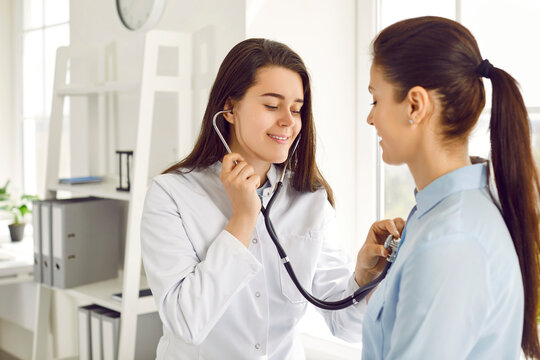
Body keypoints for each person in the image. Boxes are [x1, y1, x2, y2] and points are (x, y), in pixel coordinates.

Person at [141, 38, 403, 359]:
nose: (288, 121)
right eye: (271, 105)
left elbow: (346, 326)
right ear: (231, 109)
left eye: (296, 109)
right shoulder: (171, 195)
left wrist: (363, 278)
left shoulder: (310, 198)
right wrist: (243, 218)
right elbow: (186, 322)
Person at [363, 16, 540, 359]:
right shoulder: (444, 214)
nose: (370, 118)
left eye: (375, 100)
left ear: (415, 105)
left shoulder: (449, 240)